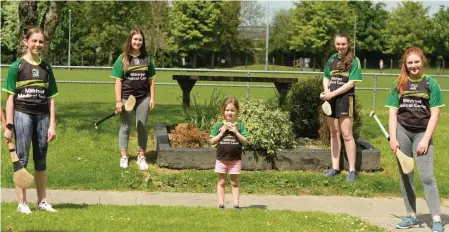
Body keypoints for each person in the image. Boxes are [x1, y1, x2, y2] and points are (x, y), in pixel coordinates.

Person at [385, 47, 444, 232]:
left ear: (422, 62)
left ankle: (436, 219)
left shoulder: (431, 84)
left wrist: (425, 140)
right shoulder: (399, 84)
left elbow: (435, 114)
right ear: (406, 64)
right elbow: (393, 112)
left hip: (422, 133)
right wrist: (393, 138)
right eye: (410, 62)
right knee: (405, 175)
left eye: (416, 62)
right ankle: (411, 216)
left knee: (427, 176)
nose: (413, 66)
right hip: (403, 132)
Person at [2, 26, 59, 214]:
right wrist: (9, 126)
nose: (37, 44)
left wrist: (52, 125)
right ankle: (22, 203)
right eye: (34, 40)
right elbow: (10, 99)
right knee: (23, 159)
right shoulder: (16, 67)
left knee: (41, 160)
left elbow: (51, 98)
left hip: (43, 116)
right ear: (26, 42)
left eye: (40, 41)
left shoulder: (46, 67)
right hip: (22, 115)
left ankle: (42, 201)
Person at [110, 28, 156, 170]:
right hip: (126, 98)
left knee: (141, 126)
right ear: (130, 40)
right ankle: (124, 156)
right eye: (135, 39)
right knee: (125, 127)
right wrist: (118, 101)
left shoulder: (147, 59)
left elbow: (151, 80)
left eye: (140, 39)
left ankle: (141, 156)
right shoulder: (122, 58)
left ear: (143, 42)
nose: (137, 42)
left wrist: (152, 98)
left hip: (144, 98)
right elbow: (118, 81)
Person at [320, 33, 362, 182]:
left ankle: (352, 170)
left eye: (343, 44)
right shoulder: (331, 59)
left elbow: (351, 83)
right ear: (334, 44)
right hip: (331, 98)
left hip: (345, 99)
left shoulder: (354, 61)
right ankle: (335, 167)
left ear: (348, 44)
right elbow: (326, 77)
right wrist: (326, 91)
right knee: (334, 132)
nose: (340, 47)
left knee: (346, 134)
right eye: (338, 44)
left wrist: (332, 94)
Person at [210, 97, 248, 210]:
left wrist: (236, 132)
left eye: (232, 110)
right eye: (227, 110)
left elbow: (245, 141)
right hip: (221, 159)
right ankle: (221, 204)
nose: (229, 113)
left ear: (237, 111)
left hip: (235, 160)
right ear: (223, 111)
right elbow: (212, 141)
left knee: (234, 183)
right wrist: (221, 133)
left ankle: (236, 204)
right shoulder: (218, 126)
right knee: (221, 181)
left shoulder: (240, 126)